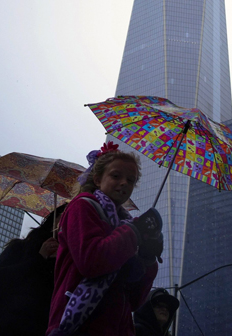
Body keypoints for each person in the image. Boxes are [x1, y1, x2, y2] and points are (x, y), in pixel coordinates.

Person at [46, 143, 162, 336]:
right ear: (98, 179)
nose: (124, 183)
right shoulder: (83, 207)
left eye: (131, 180)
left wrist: (148, 259)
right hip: (78, 327)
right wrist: (133, 232)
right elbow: (91, 261)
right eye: (116, 176)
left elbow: (134, 300)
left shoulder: (125, 224)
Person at [0, 206, 66, 336]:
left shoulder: (68, 260)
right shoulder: (20, 247)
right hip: (4, 325)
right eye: (64, 215)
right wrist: (40, 258)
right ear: (54, 219)